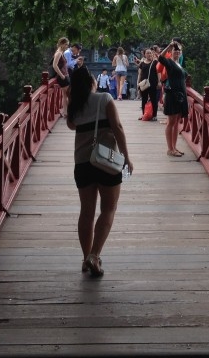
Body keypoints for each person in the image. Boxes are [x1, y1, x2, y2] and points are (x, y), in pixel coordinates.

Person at [66, 66, 133, 277]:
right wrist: (126, 157)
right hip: (106, 162)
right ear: (91, 82)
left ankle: (86, 257)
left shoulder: (74, 105)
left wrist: (70, 99)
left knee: (86, 211)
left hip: (82, 163)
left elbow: (71, 126)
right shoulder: (104, 99)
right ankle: (95, 255)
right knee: (108, 209)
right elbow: (117, 127)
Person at [158, 41, 189, 156]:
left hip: (180, 96)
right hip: (172, 95)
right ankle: (170, 149)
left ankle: (174, 147)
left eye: (179, 50)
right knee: (171, 122)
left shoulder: (179, 64)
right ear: (171, 52)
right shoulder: (169, 62)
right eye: (175, 50)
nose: (177, 52)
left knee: (176, 123)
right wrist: (169, 46)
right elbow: (160, 58)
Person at [137, 48, 159, 120]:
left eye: (150, 53)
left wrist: (159, 82)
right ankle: (144, 114)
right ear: (144, 54)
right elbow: (139, 74)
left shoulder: (155, 62)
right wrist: (138, 83)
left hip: (153, 83)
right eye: (147, 53)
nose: (149, 54)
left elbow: (158, 73)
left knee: (153, 99)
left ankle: (154, 115)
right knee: (144, 99)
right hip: (144, 84)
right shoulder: (142, 63)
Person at [51, 37, 71, 117]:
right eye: (66, 44)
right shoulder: (59, 53)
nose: (67, 46)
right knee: (69, 94)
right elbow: (54, 65)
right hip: (63, 77)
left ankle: (66, 112)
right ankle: (69, 112)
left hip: (65, 76)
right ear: (62, 44)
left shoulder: (61, 52)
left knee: (65, 95)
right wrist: (61, 75)